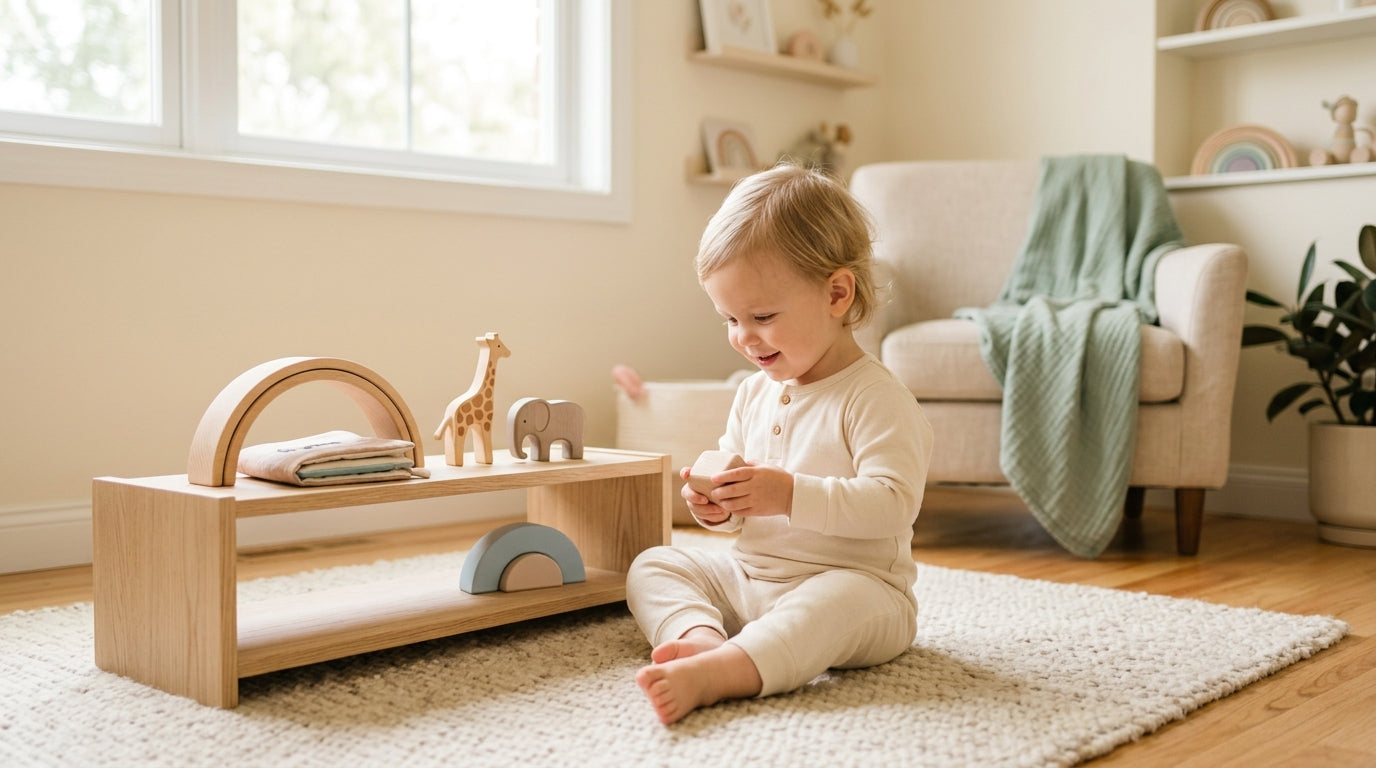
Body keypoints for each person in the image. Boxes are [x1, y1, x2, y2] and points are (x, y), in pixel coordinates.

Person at [626, 163, 935, 725]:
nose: (744, 337)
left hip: (858, 590)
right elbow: (744, 517)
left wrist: (789, 494)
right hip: (752, 581)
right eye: (730, 318)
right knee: (653, 563)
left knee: (832, 606)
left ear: (837, 293)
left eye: (762, 316)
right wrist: (717, 508)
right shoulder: (752, 394)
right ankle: (699, 638)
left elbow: (894, 505)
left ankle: (726, 672)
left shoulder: (875, 397)